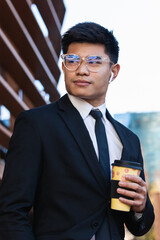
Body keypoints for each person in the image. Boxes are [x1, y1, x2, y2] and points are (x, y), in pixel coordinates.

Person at [0, 22, 154, 240]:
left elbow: (138, 226)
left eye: (94, 62)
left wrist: (140, 207)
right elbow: (11, 212)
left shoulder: (128, 140)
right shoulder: (36, 124)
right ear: (63, 66)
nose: (81, 69)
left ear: (114, 71)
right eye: (72, 60)